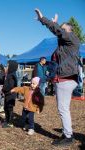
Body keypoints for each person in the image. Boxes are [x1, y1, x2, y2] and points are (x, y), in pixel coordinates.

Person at [35, 9, 80, 146]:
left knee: (63, 109)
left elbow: (59, 32)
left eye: (63, 29)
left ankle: (68, 136)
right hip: (66, 78)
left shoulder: (71, 38)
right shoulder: (67, 44)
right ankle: (67, 133)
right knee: (63, 108)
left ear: (70, 31)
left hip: (66, 79)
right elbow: (60, 33)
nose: (61, 31)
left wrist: (44, 20)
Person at [2, 60, 18, 128]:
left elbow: (10, 85)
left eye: (8, 65)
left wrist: (4, 89)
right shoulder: (9, 74)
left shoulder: (12, 76)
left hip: (11, 94)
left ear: (12, 67)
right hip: (7, 94)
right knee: (6, 108)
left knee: (9, 108)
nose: (7, 67)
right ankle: (7, 120)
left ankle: (10, 122)